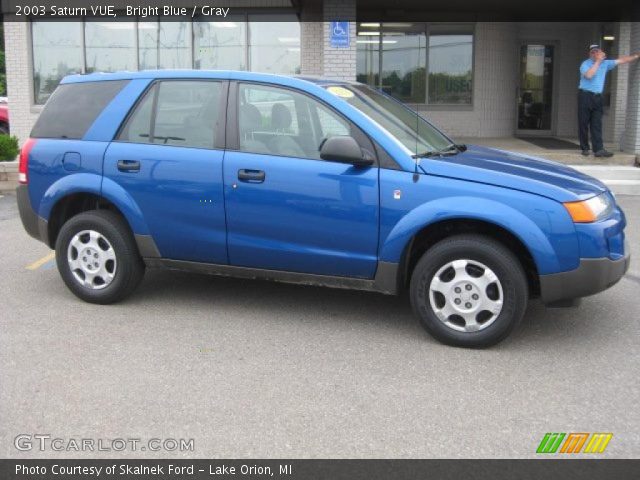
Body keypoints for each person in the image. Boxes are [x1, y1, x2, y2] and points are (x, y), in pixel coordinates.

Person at [578, 44, 640, 157]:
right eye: (592, 52)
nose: (595, 53)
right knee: (583, 122)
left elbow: (622, 60)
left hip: (597, 97)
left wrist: (636, 56)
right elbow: (589, 75)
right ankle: (585, 148)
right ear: (589, 54)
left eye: (597, 51)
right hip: (585, 95)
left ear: (601, 52)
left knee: (596, 123)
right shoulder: (585, 64)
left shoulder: (606, 64)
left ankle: (598, 149)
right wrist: (597, 62)